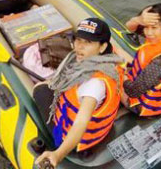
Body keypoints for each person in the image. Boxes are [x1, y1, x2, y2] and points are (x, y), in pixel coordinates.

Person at [34, 18, 123, 168]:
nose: (79, 47)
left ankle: (58, 141)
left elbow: (81, 123)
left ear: (102, 47)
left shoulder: (93, 85)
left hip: (77, 140)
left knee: (40, 90)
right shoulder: (110, 61)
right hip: (98, 133)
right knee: (49, 86)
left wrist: (58, 154)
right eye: (78, 40)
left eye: (88, 42)